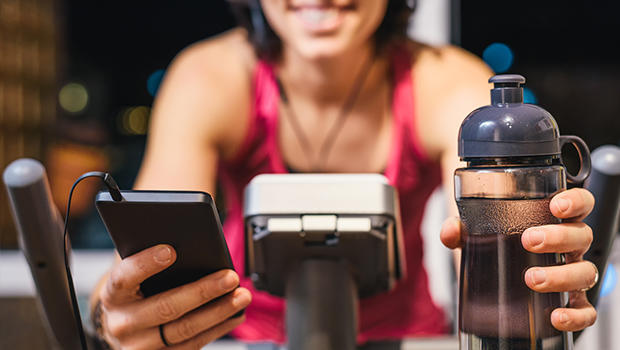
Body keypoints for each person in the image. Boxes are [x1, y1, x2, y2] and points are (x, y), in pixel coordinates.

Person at [90, 1, 598, 349]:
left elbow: (497, 245)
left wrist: (546, 261)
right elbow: (144, 271)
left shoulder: (446, 82)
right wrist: (115, 316)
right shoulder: (210, 78)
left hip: (405, 341)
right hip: (250, 341)